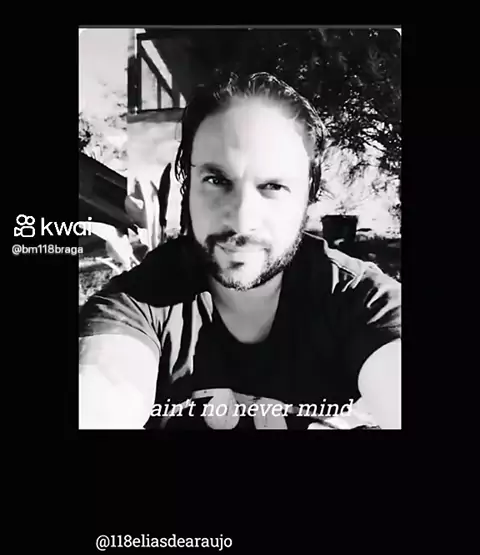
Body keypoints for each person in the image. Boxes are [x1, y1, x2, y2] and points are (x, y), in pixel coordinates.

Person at [79, 73, 401, 430]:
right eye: (217, 180)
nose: (242, 220)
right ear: (187, 185)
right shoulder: (136, 306)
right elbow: (102, 390)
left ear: (309, 196)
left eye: (273, 186)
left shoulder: (359, 300)